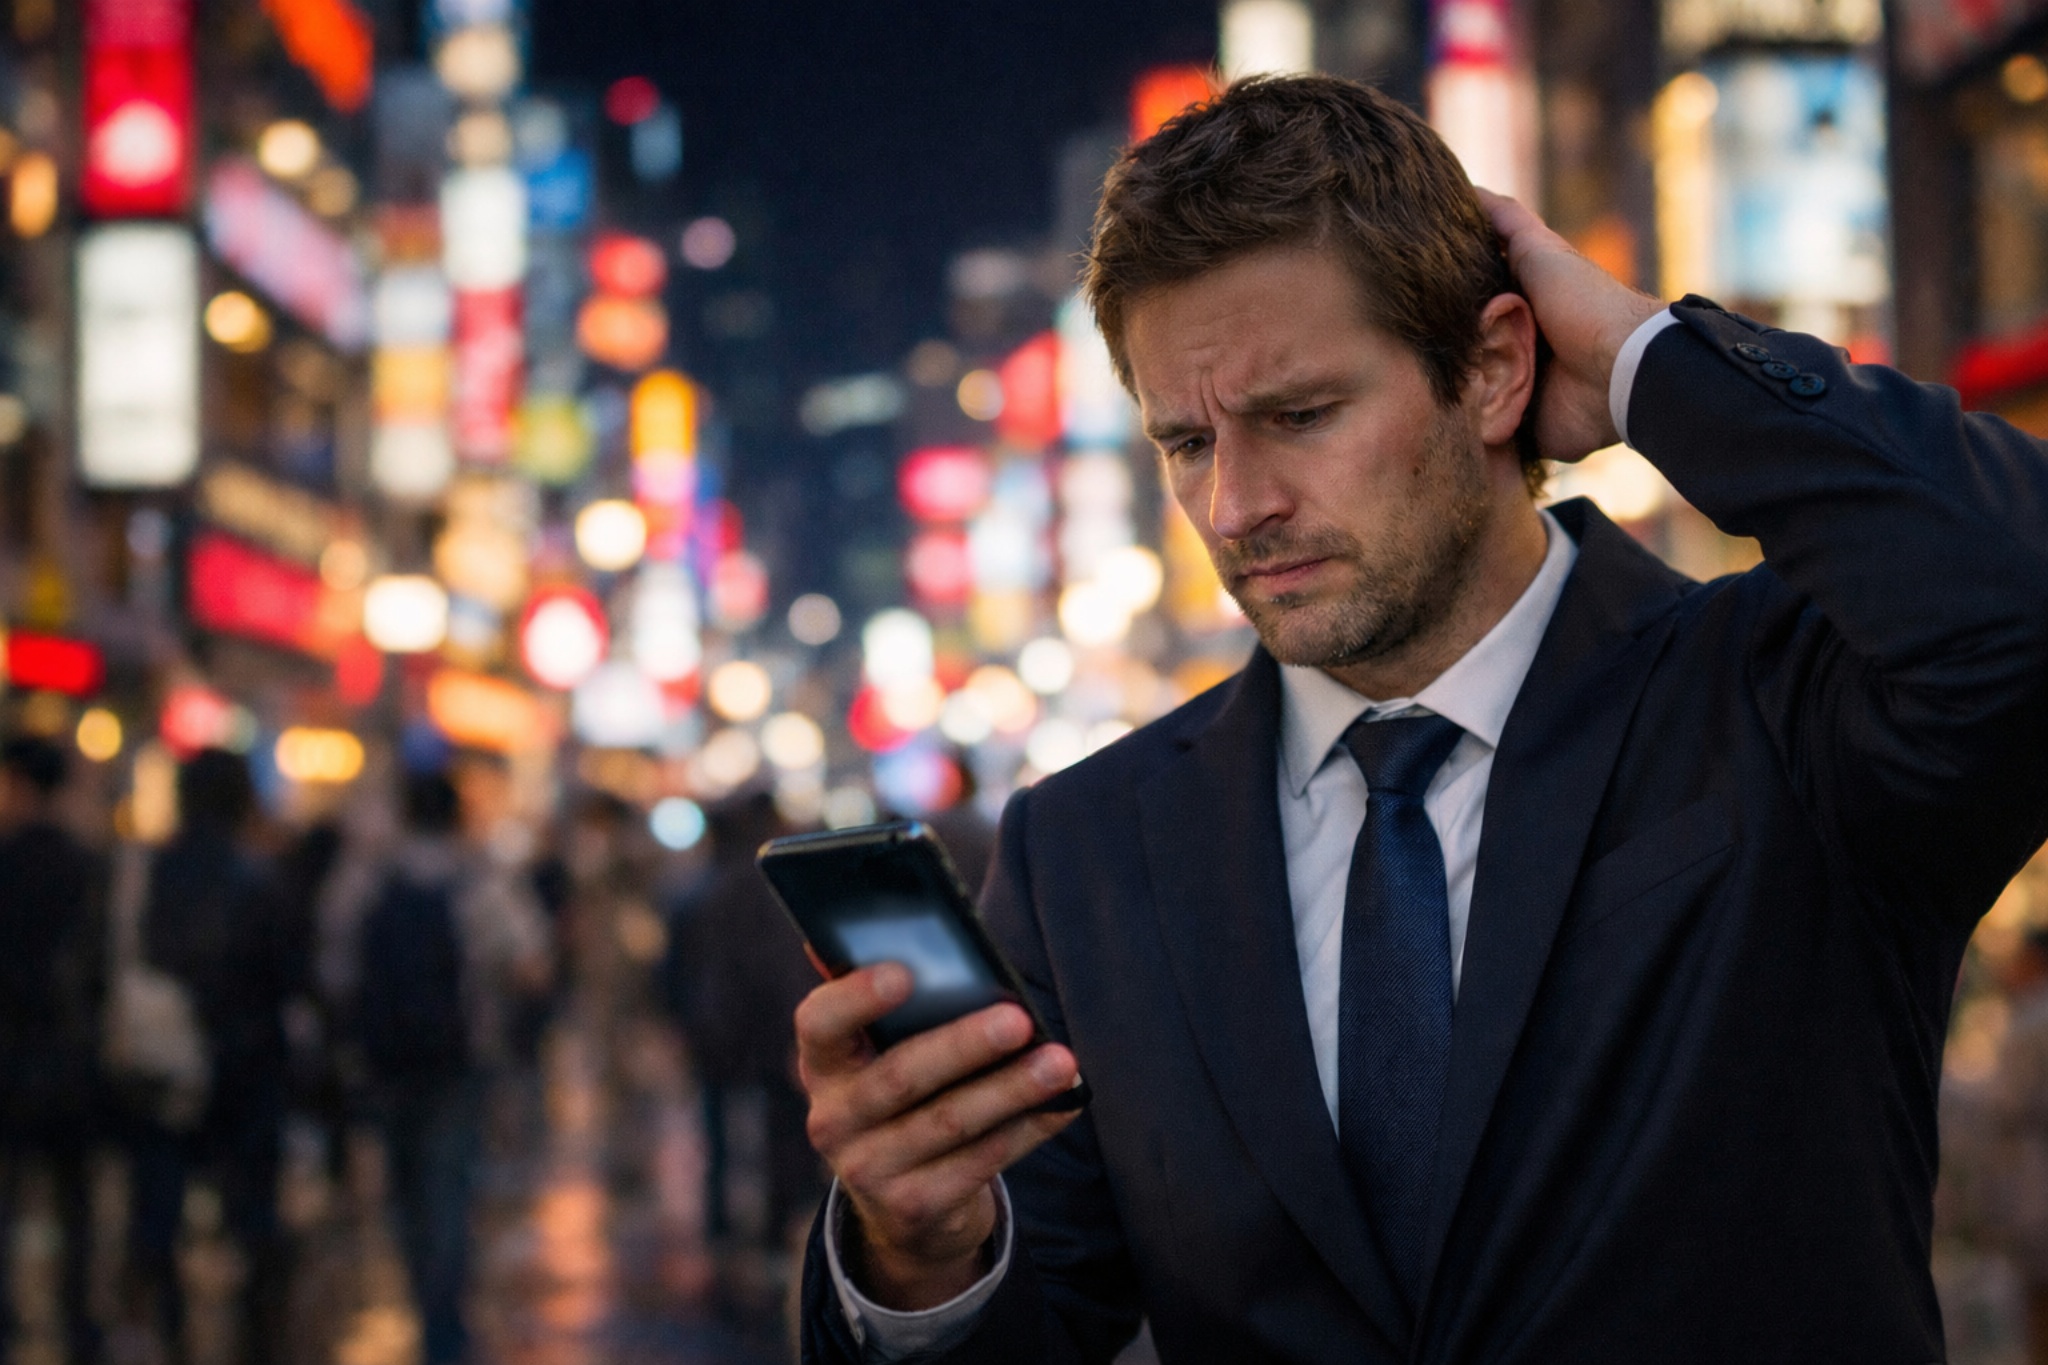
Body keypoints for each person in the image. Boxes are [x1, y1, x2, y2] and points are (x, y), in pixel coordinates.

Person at [792, 73, 2048, 1363]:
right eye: (1184, 441)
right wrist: (919, 1257)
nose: (1233, 507)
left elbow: (2022, 599)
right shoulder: (1087, 849)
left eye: (1299, 417)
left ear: (1496, 368)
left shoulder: (1780, 706)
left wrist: (1640, 365)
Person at [321, 769, 550, 1365]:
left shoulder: (369, 880)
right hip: (458, 1060)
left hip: (386, 1061)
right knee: (448, 1191)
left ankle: (421, 1302)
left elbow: (334, 969)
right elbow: (531, 964)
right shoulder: (478, 881)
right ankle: (444, 1330)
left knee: (401, 1193)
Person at [128, 748, 294, 1365]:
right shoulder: (262, 877)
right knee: (251, 1216)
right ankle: (251, 1339)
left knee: (161, 1213)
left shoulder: (149, 873)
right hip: (247, 1066)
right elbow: (289, 978)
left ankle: (171, 1334)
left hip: (163, 1064)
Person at [661, 790, 826, 1249]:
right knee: (783, 1131)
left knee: (718, 1130)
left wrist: (678, 1019)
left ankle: (720, 1226)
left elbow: (676, 967)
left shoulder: (698, 890)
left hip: (714, 1024)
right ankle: (775, 1228)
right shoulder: (774, 888)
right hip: (772, 1027)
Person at [0, 736, 106, 1365]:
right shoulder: (86, 865)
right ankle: (79, 1327)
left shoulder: (6, 863)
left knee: (10, 1201)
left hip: (11, 1057)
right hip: (74, 1061)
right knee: (77, 1208)